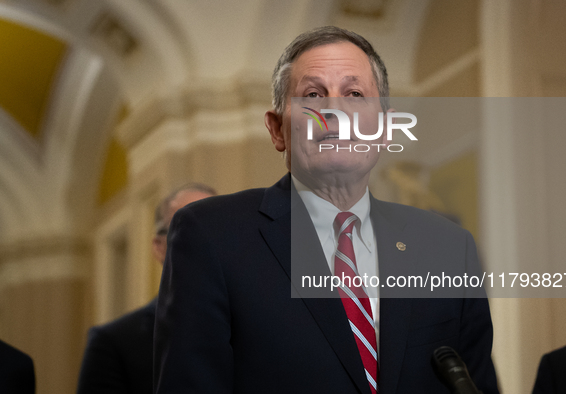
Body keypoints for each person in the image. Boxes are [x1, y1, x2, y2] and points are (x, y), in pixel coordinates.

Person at [154, 26, 498, 393]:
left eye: (354, 93)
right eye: (313, 94)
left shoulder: (447, 246)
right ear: (277, 131)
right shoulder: (212, 234)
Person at [77, 183, 216, 394]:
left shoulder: (253, 326)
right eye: (190, 228)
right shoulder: (114, 344)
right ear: (160, 247)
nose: (207, 240)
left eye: (217, 228)